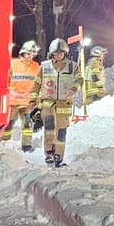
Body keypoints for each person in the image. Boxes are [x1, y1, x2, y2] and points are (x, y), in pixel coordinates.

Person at [30, 37, 84, 167]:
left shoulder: (72, 67)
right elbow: (36, 84)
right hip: (47, 104)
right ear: (52, 53)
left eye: (61, 53)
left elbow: (80, 80)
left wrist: (73, 89)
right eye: (56, 53)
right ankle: (48, 153)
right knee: (49, 129)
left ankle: (59, 155)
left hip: (64, 105)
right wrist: (32, 100)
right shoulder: (45, 66)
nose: (59, 55)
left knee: (61, 133)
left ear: (65, 52)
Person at [1, 40, 40, 151]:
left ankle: (26, 145)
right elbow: (6, 80)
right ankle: (3, 142)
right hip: (13, 102)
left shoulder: (36, 67)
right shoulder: (14, 64)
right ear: (22, 53)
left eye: (32, 54)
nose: (29, 56)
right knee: (9, 124)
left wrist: (37, 99)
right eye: (28, 53)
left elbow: (39, 83)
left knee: (27, 124)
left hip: (27, 102)